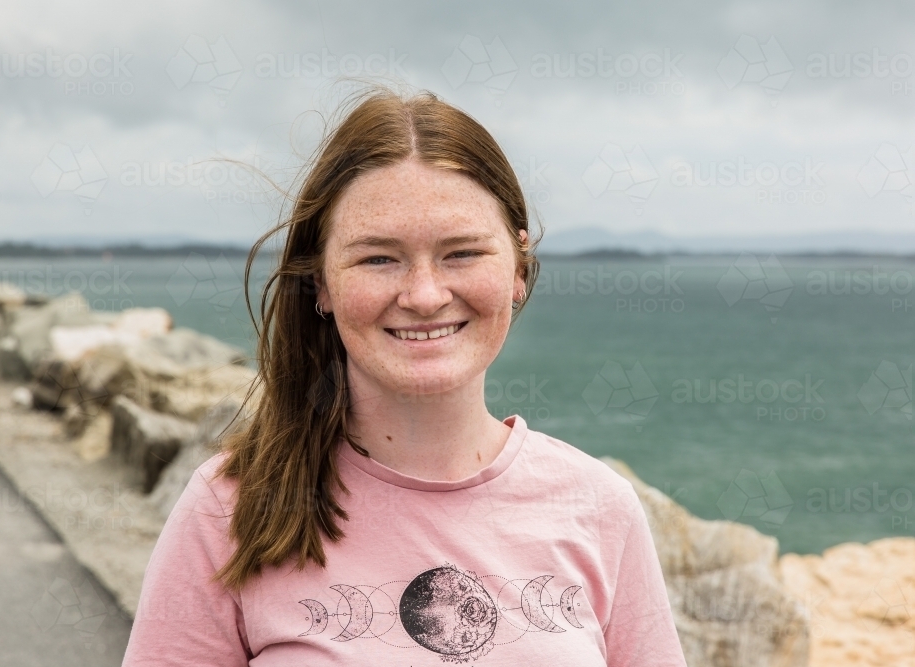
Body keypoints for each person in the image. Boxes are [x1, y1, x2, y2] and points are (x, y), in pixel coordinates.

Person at [122, 86, 687, 666]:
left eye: (462, 253)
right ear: (321, 282)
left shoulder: (599, 508)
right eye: (378, 258)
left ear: (519, 266)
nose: (423, 295)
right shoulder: (231, 510)